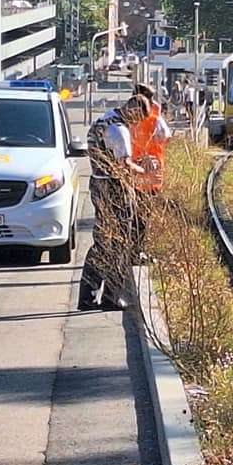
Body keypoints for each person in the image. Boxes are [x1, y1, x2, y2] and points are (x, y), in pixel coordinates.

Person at [79, 93, 151, 311]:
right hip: (114, 188)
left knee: (102, 242)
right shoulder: (119, 130)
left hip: (98, 183)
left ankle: (88, 296)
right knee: (119, 241)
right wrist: (144, 169)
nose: (136, 123)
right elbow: (123, 164)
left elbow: (108, 156)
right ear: (134, 110)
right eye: (137, 118)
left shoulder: (104, 120)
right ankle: (111, 296)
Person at [131, 83, 173, 258]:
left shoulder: (127, 116)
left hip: (131, 170)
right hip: (151, 172)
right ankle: (138, 249)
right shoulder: (155, 118)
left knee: (131, 214)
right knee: (143, 215)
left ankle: (132, 248)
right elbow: (166, 136)